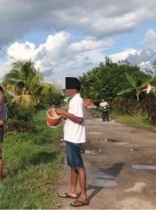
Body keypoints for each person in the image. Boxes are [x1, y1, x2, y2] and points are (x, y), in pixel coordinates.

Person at [55, 77, 89, 207]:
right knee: (73, 166)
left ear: (71, 89)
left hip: (74, 138)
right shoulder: (73, 100)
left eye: (65, 88)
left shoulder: (77, 100)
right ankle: (73, 191)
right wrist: (63, 114)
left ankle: (84, 197)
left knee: (79, 166)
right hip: (70, 137)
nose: (64, 90)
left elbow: (79, 119)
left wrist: (63, 112)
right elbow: (72, 118)